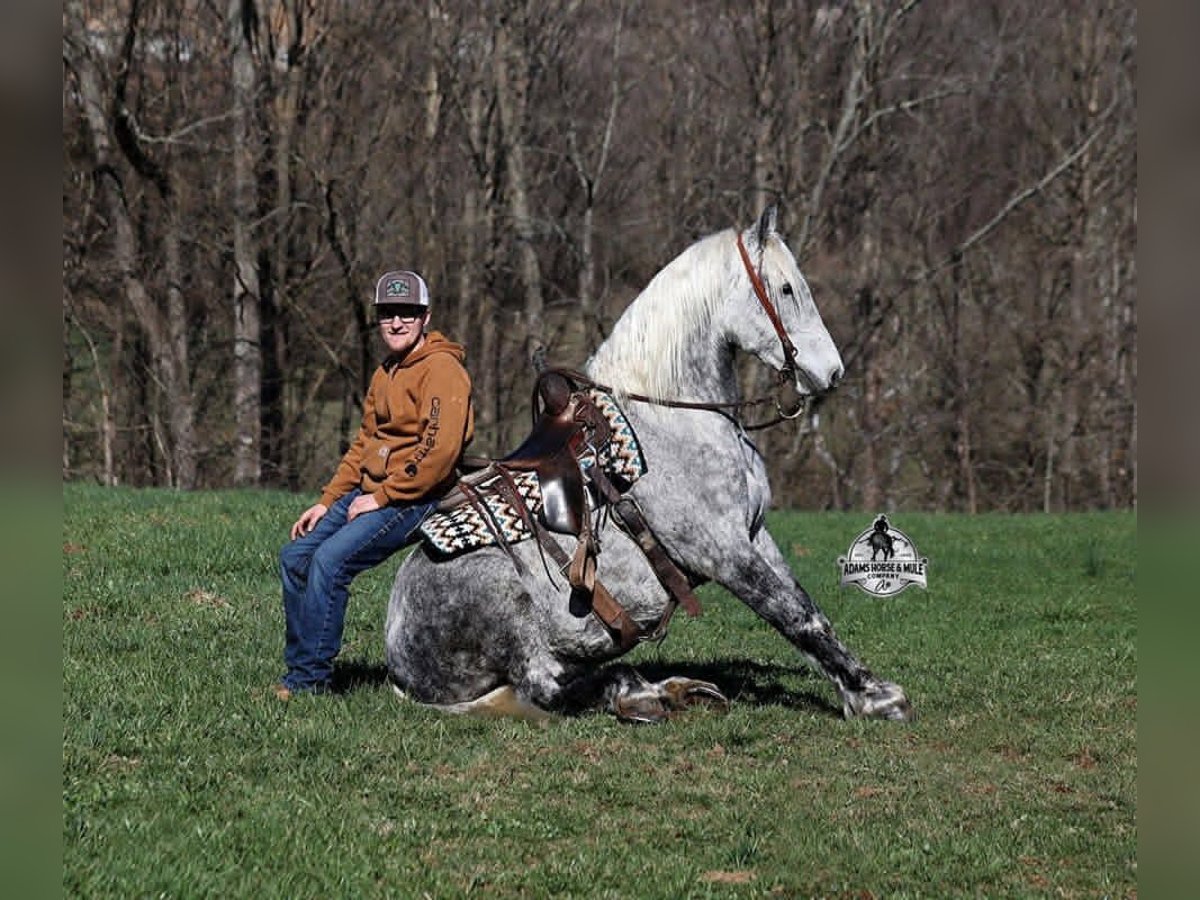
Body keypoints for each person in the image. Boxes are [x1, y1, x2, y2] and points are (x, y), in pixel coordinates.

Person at [276, 270, 474, 698]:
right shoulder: (386, 372)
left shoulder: (443, 370)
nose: (396, 323)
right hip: (371, 492)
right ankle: (299, 666)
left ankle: (309, 682)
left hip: (415, 497)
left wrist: (382, 497)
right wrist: (328, 501)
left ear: (425, 317)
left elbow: (438, 453)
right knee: (295, 558)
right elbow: (365, 444)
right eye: (388, 314)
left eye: (407, 313)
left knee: (330, 563)